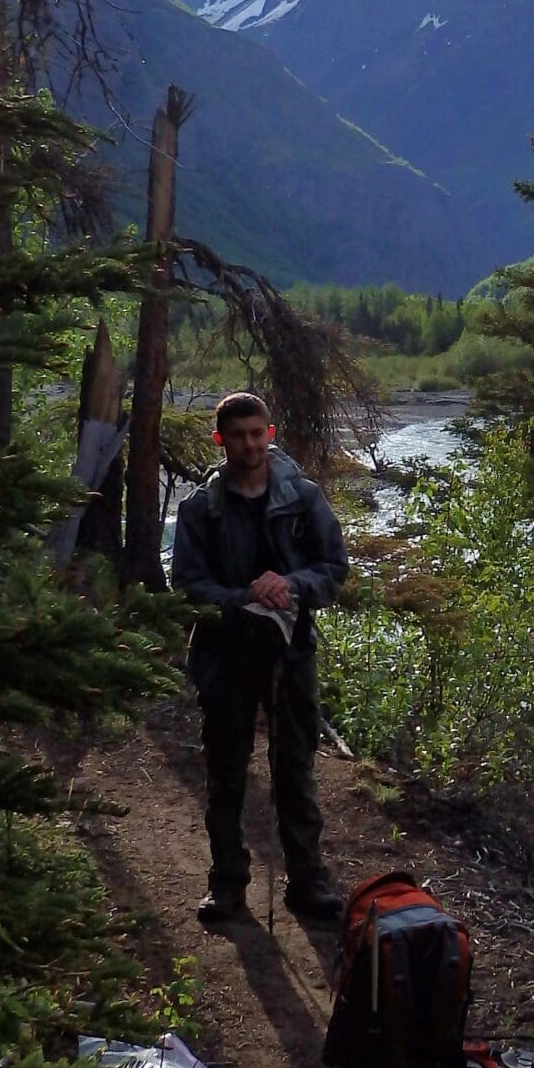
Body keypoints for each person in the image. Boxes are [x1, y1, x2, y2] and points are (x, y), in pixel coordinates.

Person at [170, 390, 349, 929]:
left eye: (258, 433)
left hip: (291, 654)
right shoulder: (200, 508)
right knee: (226, 773)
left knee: (295, 769)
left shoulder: (305, 498)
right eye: (239, 435)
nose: (250, 443)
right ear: (220, 440)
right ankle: (226, 885)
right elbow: (188, 585)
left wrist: (289, 584)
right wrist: (246, 595)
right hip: (224, 654)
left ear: (270, 433)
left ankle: (308, 882)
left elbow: (332, 569)